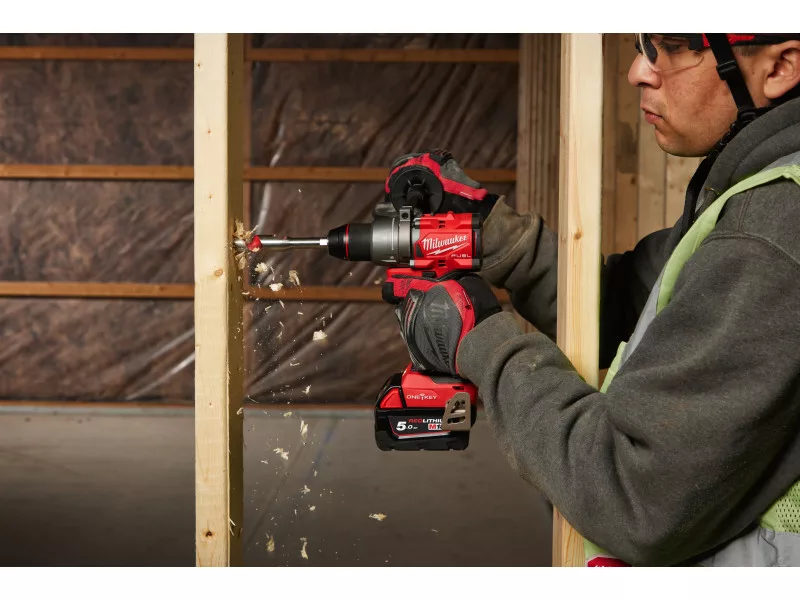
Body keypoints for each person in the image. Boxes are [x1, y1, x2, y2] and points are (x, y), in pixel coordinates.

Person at [390, 34, 800, 566]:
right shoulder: (755, 191)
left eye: (673, 47)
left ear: (780, 67)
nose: (638, 71)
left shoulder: (769, 229)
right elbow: (633, 305)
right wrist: (494, 236)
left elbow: (635, 497)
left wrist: (480, 340)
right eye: (642, 45)